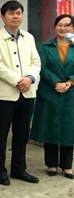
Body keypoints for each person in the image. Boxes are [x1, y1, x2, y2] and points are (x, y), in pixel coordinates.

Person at [0, 0, 41, 185]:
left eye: (18, 13)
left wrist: (30, 78)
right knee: (1, 135)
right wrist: (19, 81)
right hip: (4, 95)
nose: (15, 16)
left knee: (22, 133)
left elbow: (36, 62)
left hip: (27, 92)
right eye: (11, 13)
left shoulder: (29, 37)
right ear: (3, 17)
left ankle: (19, 169)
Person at [30, 14, 74, 179]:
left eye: (67, 25)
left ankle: (67, 166)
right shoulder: (45, 46)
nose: (62, 28)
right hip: (50, 92)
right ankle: (52, 165)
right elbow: (41, 67)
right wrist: (56, 82)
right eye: (59, 25)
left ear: (73, 28)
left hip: (70, 93)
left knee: (69, 129)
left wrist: (69, 82)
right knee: (50, 127)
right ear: (55, 27)